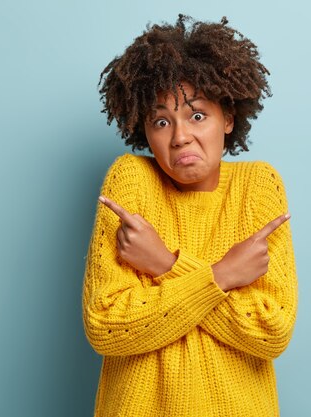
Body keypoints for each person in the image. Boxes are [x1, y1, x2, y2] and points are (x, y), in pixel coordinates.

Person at [82, 15, 298, 417]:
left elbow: (270, 331)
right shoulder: (131, 181)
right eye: (161, 121)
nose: (180, 136)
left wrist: (163, 264)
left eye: (197, 115)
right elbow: (107, 325)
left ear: (228, 119)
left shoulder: (258, 186)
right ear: (143, 131)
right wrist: (223, 276)